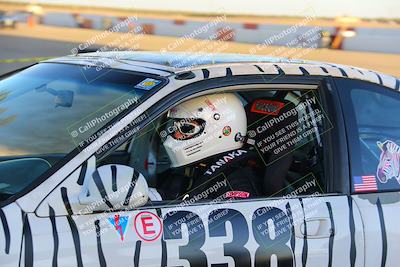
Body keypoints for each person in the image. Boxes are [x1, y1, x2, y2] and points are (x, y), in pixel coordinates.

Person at [156, 93, 261, 201]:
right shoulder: (199, 166)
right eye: (175, 127)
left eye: (186, 128)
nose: (176, 135)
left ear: (222, 131)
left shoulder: (235, 181)